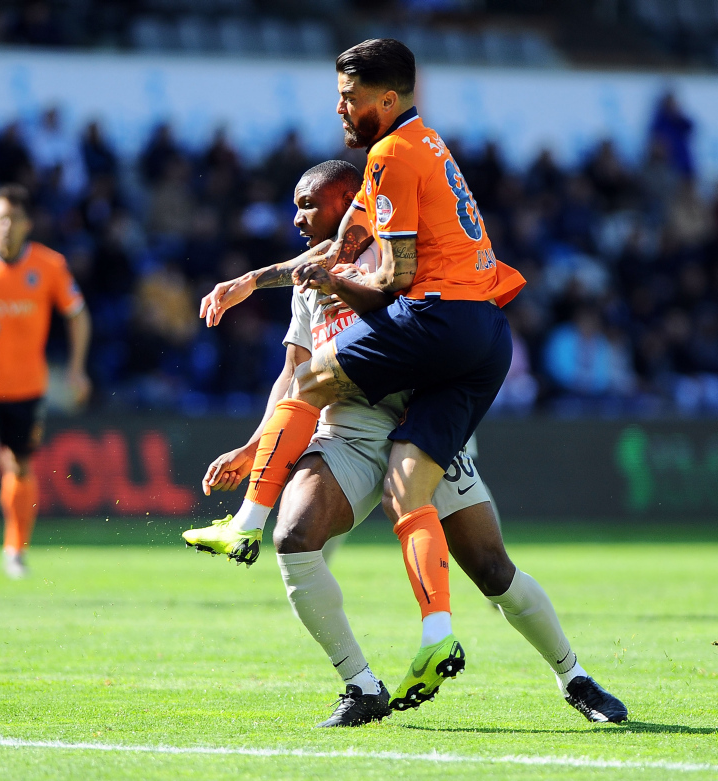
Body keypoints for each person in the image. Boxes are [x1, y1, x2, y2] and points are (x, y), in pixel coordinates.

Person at [191, 161, 628, 726]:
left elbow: (430, 321)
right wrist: (256, 446)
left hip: (418, 425)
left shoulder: (406, 253)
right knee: (294, 538)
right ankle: (361, 685)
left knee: (492, 570)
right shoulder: (308, 279)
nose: (296, 218)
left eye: (308, 204)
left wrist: (347, 290)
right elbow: (292, 374)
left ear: (349, 200)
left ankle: (575, 677)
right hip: (347, 431)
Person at [186, 38, 528, 711]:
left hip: (439, 319)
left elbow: (394, 278)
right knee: (411, 491)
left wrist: (339, 285)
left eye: (349, 96)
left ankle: (245, 524)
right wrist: (251, 281)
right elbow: (336, 248)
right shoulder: (419, 145)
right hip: (486, 334)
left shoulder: (391, 155)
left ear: (387, 99)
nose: (339, 108)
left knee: (311, 382)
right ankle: (438, 636)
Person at [0, 184, 91, 578]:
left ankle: (15, 552)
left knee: (20, 466)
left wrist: (77, 368)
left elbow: (77, 314)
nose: (6, 226)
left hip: (27, 387)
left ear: (27, 224)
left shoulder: (49, 264)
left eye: (14, 219)